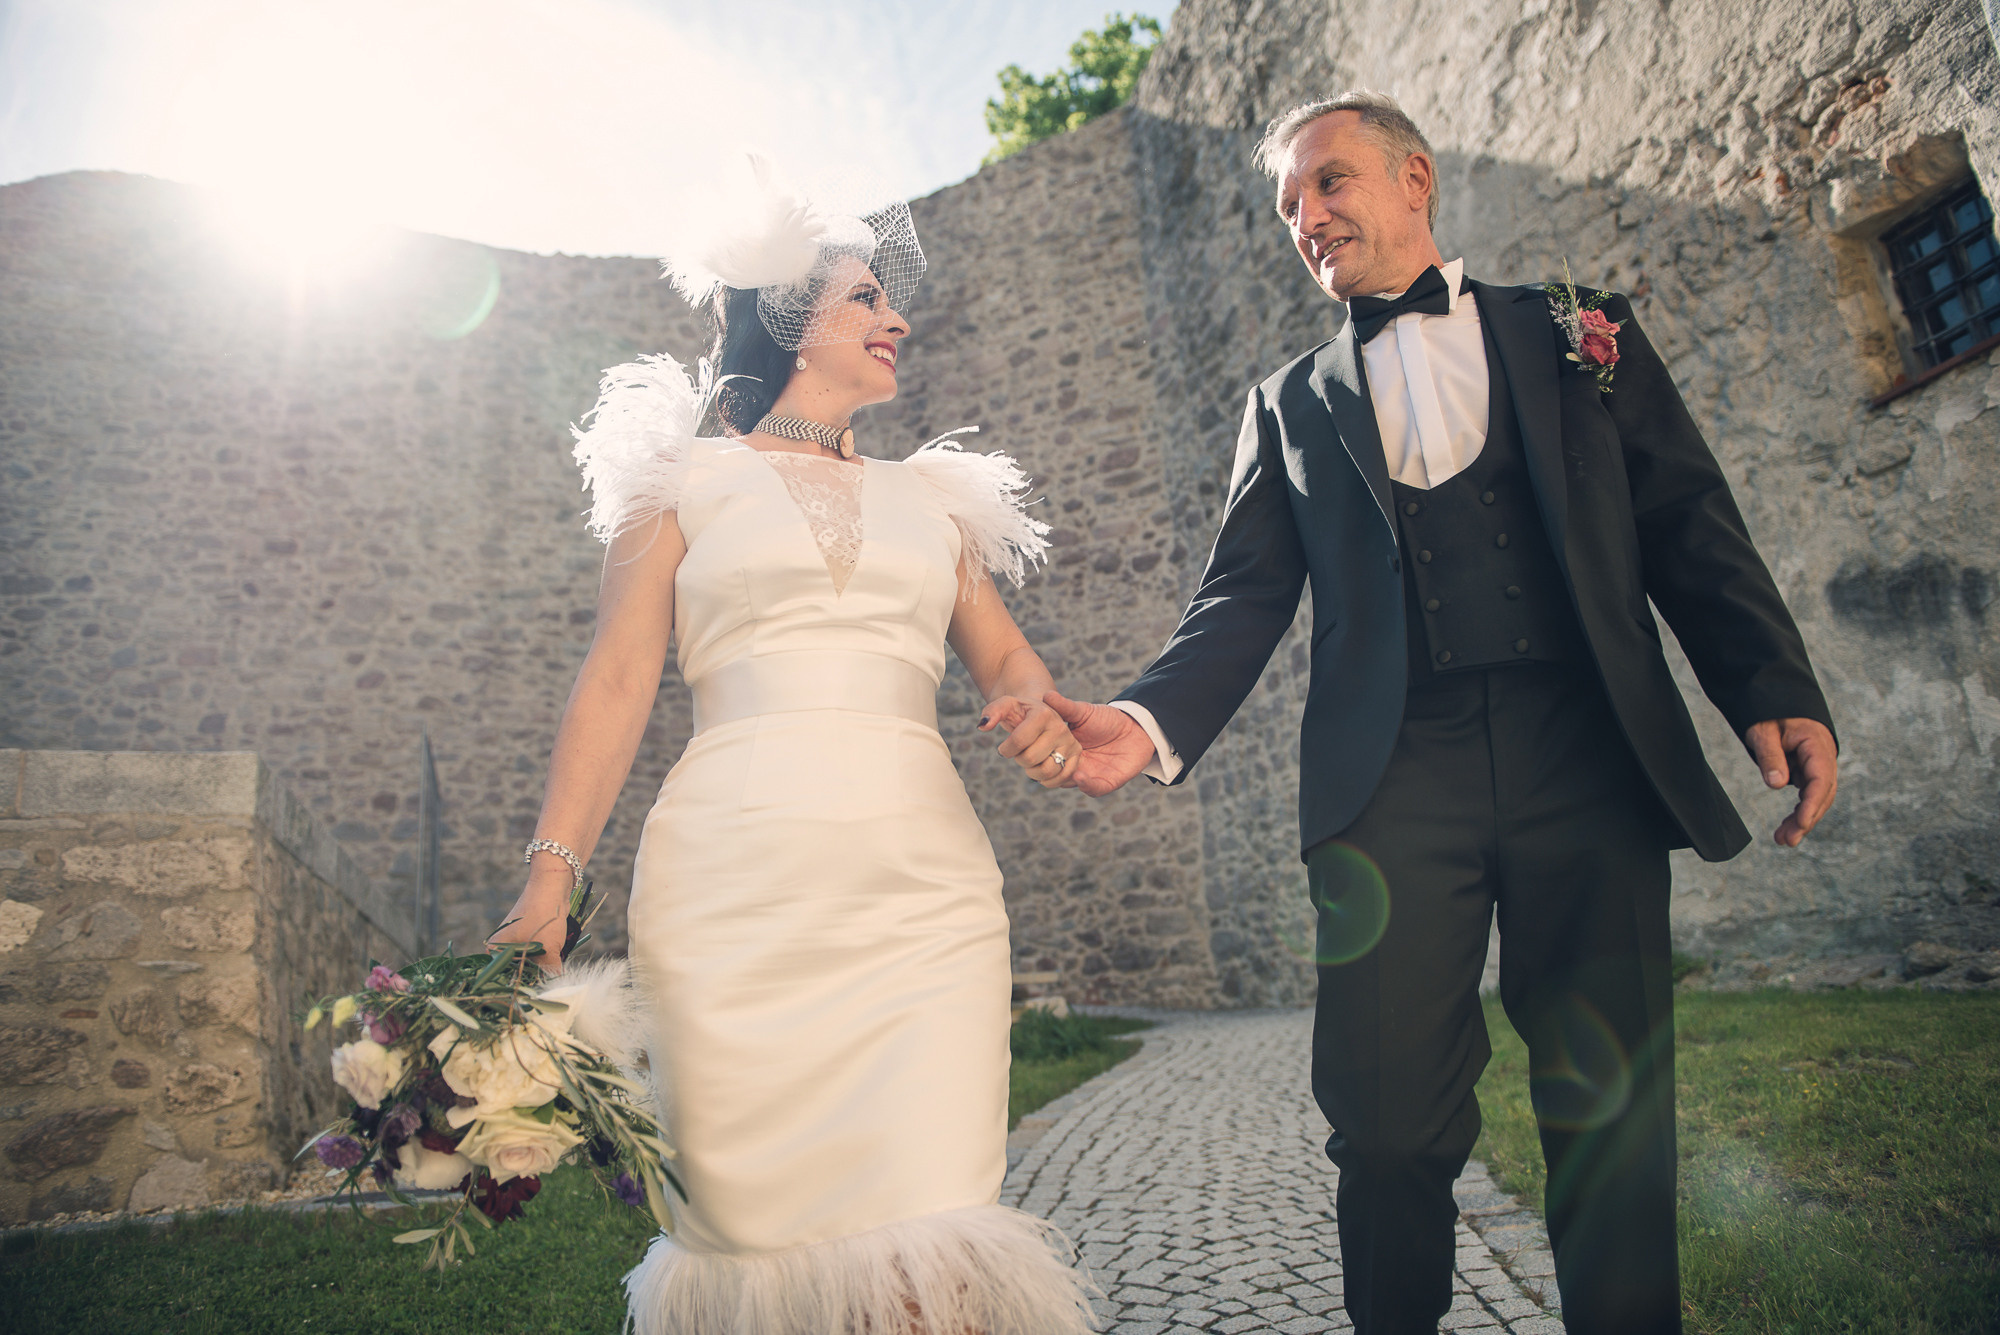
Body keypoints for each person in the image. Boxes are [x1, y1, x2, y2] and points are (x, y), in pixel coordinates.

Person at [1046, 93, 1839, 1334]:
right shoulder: (1285, 403)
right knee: (1383, 1125)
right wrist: (1145, 723)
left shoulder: (1580, 334)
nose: (1306, 218)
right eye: (1287, 207)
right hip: (1389, 784)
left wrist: (1771, 686)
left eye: (1330, 183)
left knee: (1610, 1114)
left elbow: (1688, 523)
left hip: (1586, 759)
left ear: (1413, 178)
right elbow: (1241, 597)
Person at [487, 162, 1095, 1335]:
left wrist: (1031, 709)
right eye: (867, 298)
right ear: (788, 321)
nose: (896, 318)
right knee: (754, 1248)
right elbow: (617, 678)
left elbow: (1008, 660)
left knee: (934, 1240)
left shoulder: (938, 501)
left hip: (924, 896)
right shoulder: (678, 482)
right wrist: (547, 883)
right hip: (733, 889)